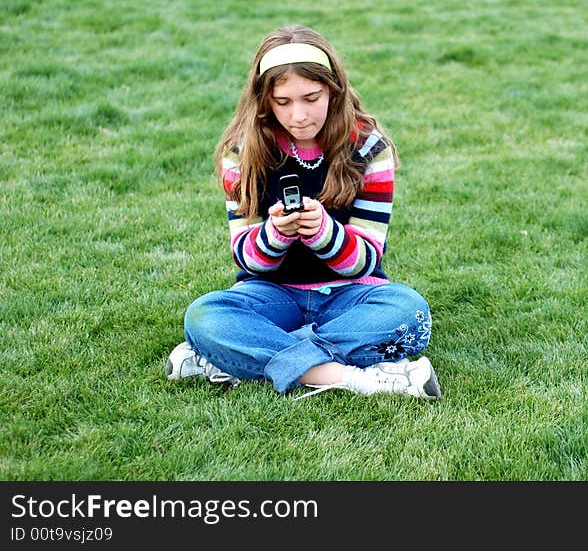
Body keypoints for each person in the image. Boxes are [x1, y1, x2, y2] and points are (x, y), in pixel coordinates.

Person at [164, 25, 441, 400]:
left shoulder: (370, 149)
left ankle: (234, 356)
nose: (299, 115)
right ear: (264, 100)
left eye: (312, 97)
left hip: (351, 294)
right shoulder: (242, 152)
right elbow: (247, 258)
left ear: (334, 90)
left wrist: (324, 232)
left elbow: (365, 260)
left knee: (409, 311)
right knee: (205, 316)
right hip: (271, 294)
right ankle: (355, 377)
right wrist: (275, 233)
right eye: (283, 102)